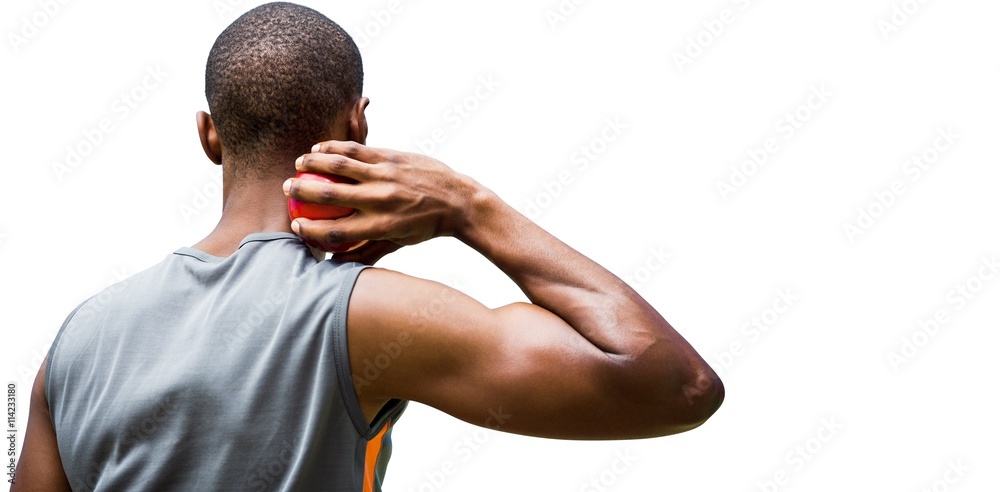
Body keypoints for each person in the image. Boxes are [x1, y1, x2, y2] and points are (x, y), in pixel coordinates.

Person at [13, 2, 723, 491]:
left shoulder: (78, 341)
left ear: (208, 134)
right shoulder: (368, 317)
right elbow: (676, 386)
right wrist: (467, 207)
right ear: (357, 126)